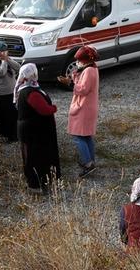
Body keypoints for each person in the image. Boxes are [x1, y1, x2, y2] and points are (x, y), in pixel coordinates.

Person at [14, 63, 61, 194]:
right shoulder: (31, 93)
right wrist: (54, 108)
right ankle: (35, 185)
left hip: (33, 129)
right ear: (32, 75)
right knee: (34, 157)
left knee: (36, 155)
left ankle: (40, 181)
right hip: (32, 131)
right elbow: (44, 110)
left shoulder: (27, 87)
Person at [57, 45, 100, 178]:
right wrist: (75, 76)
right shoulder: (91, 68)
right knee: (86, 135)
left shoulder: (88, 71)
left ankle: (88, 163)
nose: (77, 62)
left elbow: (83, 89)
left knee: (78, 136)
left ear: (85, 60)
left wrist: (69, 83)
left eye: (79, 60)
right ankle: (91, 160)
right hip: (88, 107)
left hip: (83, 108)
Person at [0, 41, 20, 142]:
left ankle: (13, 135)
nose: (2, 53)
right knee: (4, 116)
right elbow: (1, 72)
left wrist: (7, 59)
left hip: (11, 93)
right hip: (1, 95)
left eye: (4, 51)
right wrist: (4, 61)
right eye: (0, 51)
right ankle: (5, 135)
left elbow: (18, 67)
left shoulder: (6, 59)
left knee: (13, 115)